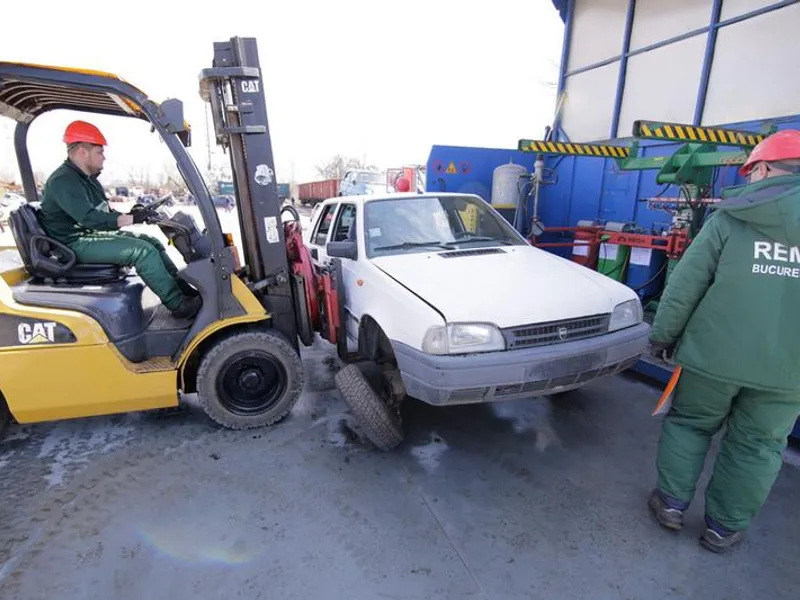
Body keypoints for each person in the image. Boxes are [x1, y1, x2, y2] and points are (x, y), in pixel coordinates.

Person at [647, 129, 800, 553]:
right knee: (759, 445)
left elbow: (684, 285)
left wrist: (663, 336)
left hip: (712, 357)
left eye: (751, 171)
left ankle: (672, 504)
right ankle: (723, 527)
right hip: (790, 372)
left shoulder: (732, 217)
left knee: (691, 424)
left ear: (766, 168)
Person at [39, 120, 201, 319]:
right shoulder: (63, 181)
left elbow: (103, 212)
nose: (104, 157)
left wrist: (134, 213)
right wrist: (132, 218)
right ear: (83, 152)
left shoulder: (87, 180)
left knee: (152, 242)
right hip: (72, 243)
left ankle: (186, 292)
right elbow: (92, 220)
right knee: (142, 252)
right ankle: (178, 305)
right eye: (100, 152)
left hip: (88, 236)